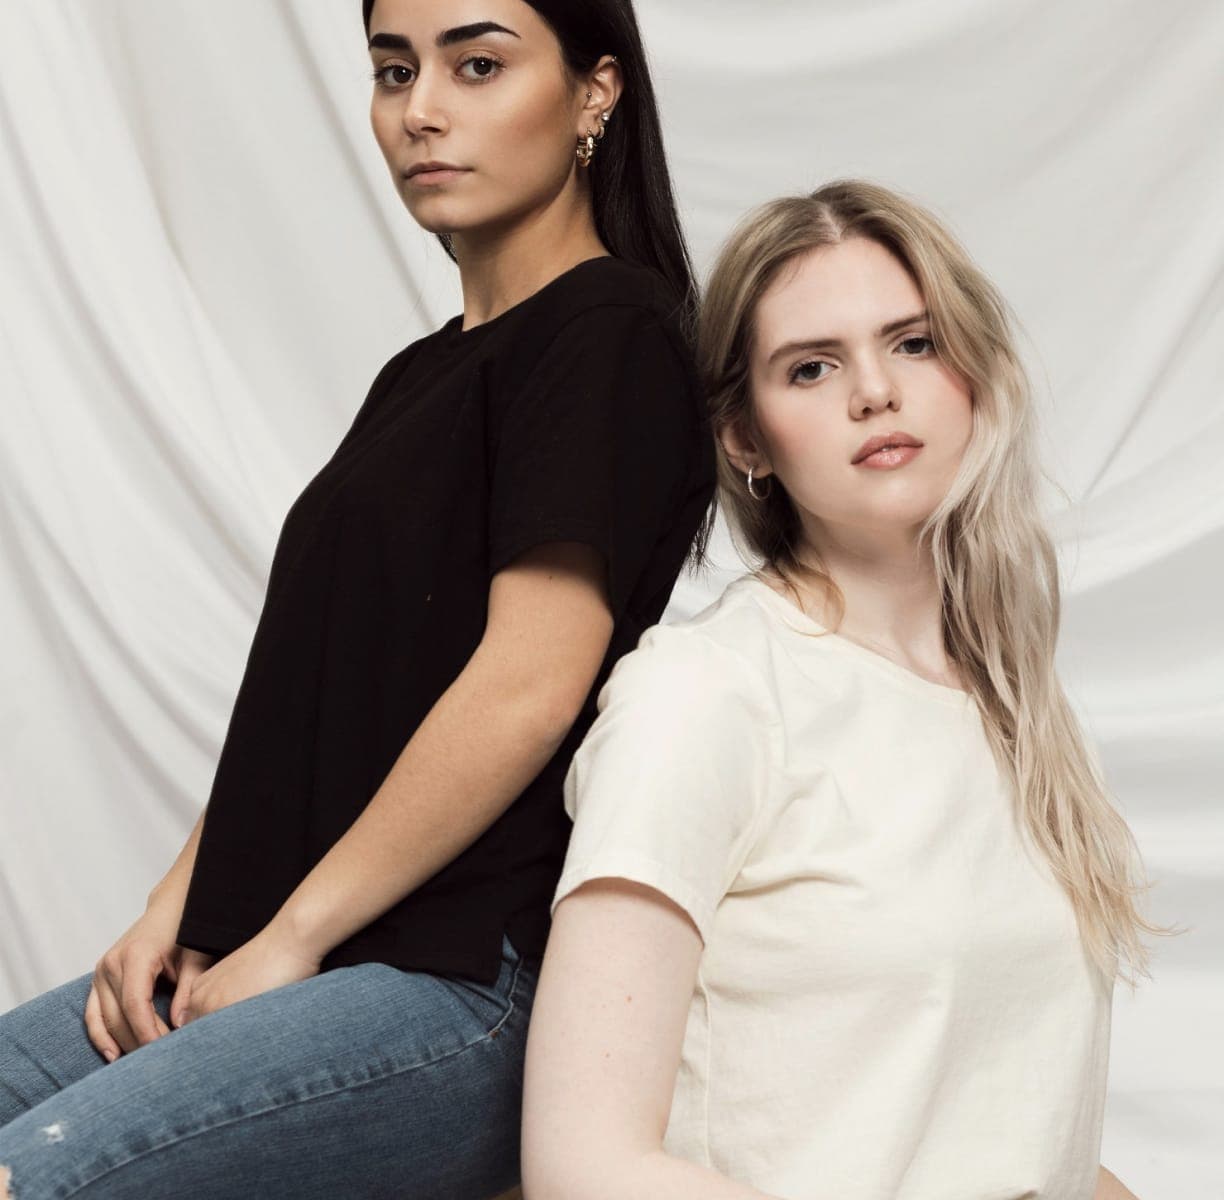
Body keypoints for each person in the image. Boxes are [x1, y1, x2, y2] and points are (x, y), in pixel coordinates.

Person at [0, 1, 714, 1196]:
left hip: (455, 983)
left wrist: (291, 937)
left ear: (596, 93)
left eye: (477, 64)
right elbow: (311, 698)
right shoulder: (420, 373)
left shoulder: (611, 333)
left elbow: (529, 683)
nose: (421, 109)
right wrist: (176, 905)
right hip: (297, 949)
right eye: (394, 69)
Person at [521, 180, 1162, 1200]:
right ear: (745, 438)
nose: (875, 390)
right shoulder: (705, 694)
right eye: (811, 367)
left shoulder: (1018, 710)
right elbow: (583, 1165)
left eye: (913, 343)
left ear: (977, 375)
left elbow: (1004, 1131)